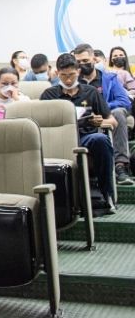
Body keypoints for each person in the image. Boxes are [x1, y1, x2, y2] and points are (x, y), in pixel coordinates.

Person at [41, 53, 117, 212]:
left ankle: (106, 195)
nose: (68, 80)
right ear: (57, 74)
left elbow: (112, 121)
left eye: (71, 75)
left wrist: (100, 122)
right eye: (63, 76)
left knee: (101, 140)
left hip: (85, 137)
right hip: (57, 141)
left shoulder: (91, 92)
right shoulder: (49, 95)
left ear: (78, 72)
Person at [72, 43, 133, 185]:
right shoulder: (73, 82)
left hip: (110, 114)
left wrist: (102, 107)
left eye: (86, 61)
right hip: (84, 119)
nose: (82, 65)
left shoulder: (110, 78)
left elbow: (124, 101)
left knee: (118, 113)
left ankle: (120, 166)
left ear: (94, 59)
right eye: (79, 62)